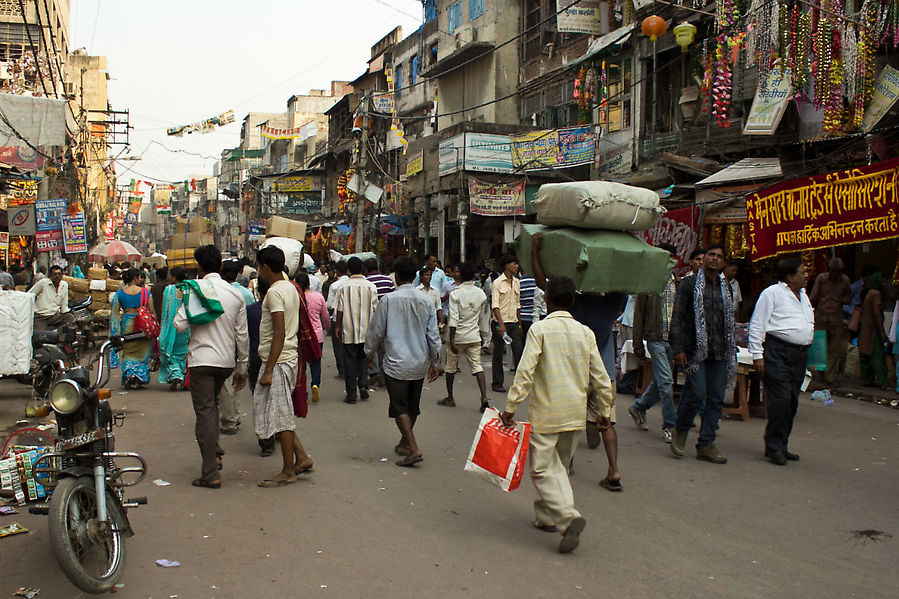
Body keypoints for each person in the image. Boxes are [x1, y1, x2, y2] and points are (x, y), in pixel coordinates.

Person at [500, 276, 613, 554]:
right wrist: (605, 410)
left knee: (541, 470)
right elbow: (601, 376)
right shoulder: (585, 333)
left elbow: (525, 372)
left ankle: (567, 517)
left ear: (546, 299)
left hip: (547, 413)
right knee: (558, 468)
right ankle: (545, 516)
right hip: (574, 413)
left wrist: (511, 406)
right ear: (573, 301)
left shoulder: (539, 330)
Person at [530, 235, 625, 489]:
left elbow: (544, 284)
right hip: (604, 373)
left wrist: (535, 251)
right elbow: (626, 283)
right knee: (608, 422)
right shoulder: (612, 304)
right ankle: (613, 470)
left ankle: (568, 464)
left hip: (576, 374)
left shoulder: (575, 304)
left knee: (569, 421)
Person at [174, 245, 249, 489]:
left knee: (205, 412)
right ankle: (214, 450)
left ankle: (210, 473)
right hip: (226, 362)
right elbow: (242, 335)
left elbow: (179, 325)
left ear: (199, 267)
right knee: (213, 407)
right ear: (220, 266)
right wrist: (242, 368)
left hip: (201, 361)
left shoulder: (196, 291)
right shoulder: (235, 294)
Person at [364, 256, 440, 467]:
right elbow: (433, 335)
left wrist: (368, 354)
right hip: (419, 361)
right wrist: (435, 361)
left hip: (395, 362)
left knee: (399, 407)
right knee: (411, 407)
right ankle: (404, 443)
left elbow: (375, 331)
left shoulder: (388, 300)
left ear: (396, 277)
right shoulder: (426, 300)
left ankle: (413, 447)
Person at [253, 246, 314, 487]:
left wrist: (268, 369)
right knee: (279, 412)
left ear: (265, 267)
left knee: (281, 416)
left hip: (278, 360)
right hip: (286, 358)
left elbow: (279, 331)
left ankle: (288, 470)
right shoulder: (290, 287)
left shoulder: (275, 293)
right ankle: (301, 457)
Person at [670, 244, 736, 464]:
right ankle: (681, 428)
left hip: (719, 351)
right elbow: (677, 317)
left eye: (720, 256)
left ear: (723, 262)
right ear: (704, 258)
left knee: (717, 397)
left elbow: (729, 320)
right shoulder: (689, 284)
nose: (715, 259)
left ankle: (706, 443)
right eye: (712, 255)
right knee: (697, 393)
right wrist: (677, 348)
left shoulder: (726, 288)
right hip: (695, 350)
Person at [749, 257, 814, 466]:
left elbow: (808, 321)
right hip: (778, 351)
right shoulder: (772, 293)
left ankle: (782, 444)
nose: (806, 276)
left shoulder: (804, 296)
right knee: (781, 400)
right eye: (802, 272)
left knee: (793, 401)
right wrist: (757, 355)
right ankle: (773, 445)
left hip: (799, 354)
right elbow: (758, 324)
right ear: (790, 276)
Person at [628, 244, 679, 443]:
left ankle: (639, 407)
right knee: (666, 381)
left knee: (661, 381)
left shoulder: (679, 284)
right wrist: (638, 342)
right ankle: (670, 426)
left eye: (672, 257)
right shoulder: (649, 283)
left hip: (674, 341)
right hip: (655, 338)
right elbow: (639, 314)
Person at [439, 262, 490, 411]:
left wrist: (452, 339)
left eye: (455, 271)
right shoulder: (480, 293)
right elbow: (481, 316)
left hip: (459, 336)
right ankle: (484, 397)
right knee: (477, 366)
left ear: (460, 274)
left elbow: (454, 318)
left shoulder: (456, 293)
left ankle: (450, 397)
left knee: (451, 367)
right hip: (474, 335)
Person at [335, 257, 378, 404]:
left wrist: (338, 326)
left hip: (349, 330)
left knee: (349, 361)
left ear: (348, 269)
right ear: (362, 269)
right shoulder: (371, 287)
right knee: (363, 359)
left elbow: (339, 310)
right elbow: (375, 309)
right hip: (367, 331)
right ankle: (363, 385)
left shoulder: (343, 287)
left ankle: (351, 394)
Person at [109, 268, 155, 389]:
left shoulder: (119, 293)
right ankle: (139, 377)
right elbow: (151, 311)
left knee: (128, 352)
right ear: (135, 278)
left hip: (128, 324)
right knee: (142, 352)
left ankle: (130, 374)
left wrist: (115, 333)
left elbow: (114, 314)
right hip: (143, 326)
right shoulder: (146, 292)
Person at [809, 258, 852, 386]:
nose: (835, 275)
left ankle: (830, 377)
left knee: (834, 350)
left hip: (836, 318)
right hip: (821, 317)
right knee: (820, 348)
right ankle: (821, 374)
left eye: (837, 272)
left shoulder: (845, 281)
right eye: (833, 272)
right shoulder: (821, 279)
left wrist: (843, 299)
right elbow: (813, 297)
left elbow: (849, 296)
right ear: (829, 270)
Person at [247, 277, 275, 457]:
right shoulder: (276, 309)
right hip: (275, 356)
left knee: (259, 398)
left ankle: (266, 441)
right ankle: (275, 433)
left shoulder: (250, 310)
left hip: (256, 356)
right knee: (273, 398)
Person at [491, 254, 523, 393]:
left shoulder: (517, 282)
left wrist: (520, 324)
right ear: (506, 265)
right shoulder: (497, 283)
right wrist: (501, 324)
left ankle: (520, 384)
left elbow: (517, 304)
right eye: (514, 263)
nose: (517, 266)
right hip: (500, 323)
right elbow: (495, 305)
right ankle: (497, 382)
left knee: (519, 352)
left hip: (514, 323)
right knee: (498, 353)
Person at [297, 272, 330, 403]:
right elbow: (325, 316)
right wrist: (328, 328)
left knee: (302, 365)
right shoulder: (318, 296)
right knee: (316, 363)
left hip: (301, 336)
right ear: (309, 283)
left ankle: (303, 392)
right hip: (317, 336)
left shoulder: (296, 298)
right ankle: (315, 384)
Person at [158, 267, 190, 392]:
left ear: (174, 277)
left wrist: (163, 324)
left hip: (171, 326)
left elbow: (163, 308)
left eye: (170, 275)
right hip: (185, 327)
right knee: (183, 353)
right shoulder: (188, 289)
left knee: (171, 352)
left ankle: (175, 374)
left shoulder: (169, 290)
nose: (168, 276)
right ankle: (181, 376)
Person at [858, 272, 889, 388]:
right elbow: (877, 314)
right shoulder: (876, 294)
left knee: (865, 356)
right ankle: (883, 382)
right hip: (872, 331)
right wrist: (882, 332)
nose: (884, 284)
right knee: (877, 357)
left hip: (865, 329)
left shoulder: (867, 292)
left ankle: (867, 380)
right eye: (883, 281)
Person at [30, 265, 74, 330]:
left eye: (59, 274)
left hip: (54, 316)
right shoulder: (43, 283)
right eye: (54, 274)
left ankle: (61, 339)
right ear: (50, 275)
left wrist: (65, 312)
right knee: (38, 336)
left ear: (62, 275)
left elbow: (64, 305)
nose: (57, 276)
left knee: (69, 317)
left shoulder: (64, 285)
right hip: (40, 316)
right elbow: (30, 295)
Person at [326, 260, 349, 379]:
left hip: (337, 318)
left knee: (338, 347)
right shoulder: (351, 283)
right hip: (351, 319)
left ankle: (342, 371)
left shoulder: (335, 285)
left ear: (337, 271)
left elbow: (330, 304)